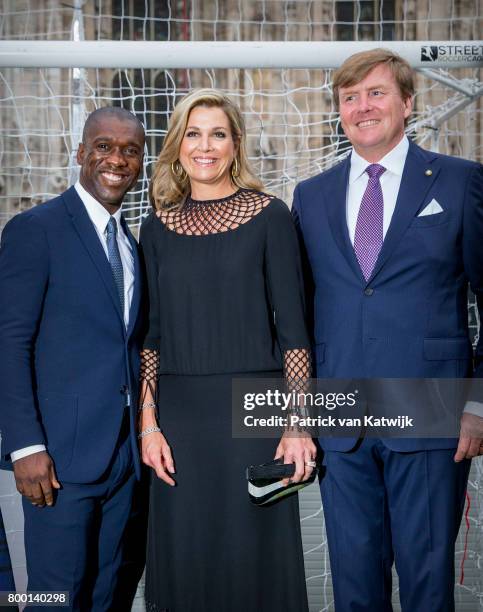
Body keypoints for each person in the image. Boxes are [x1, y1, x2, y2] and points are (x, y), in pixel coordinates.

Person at [292, 49, 483, 611]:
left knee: (427, 585)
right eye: (349, 98)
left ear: (407, 102)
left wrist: (478, 404)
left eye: (375, 93)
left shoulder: (460, 181)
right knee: (354, 585)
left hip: (431, 413)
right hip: (341, 416)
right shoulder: (312, 195)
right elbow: (301, 308)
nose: (362, 107)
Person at [138, 88, 316, 612]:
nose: (205, 145)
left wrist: (297, 420)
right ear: (177, 145)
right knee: (186, 555)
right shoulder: (155, 228)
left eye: (218, 133)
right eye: (193, 133)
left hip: (255, 416)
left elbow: (295, 332)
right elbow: (151, 338)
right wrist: (149, 423)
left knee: (257, 559)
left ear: (236, 144)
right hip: (179, 424)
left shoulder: (271, 216)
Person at [0, 107, 146, 611]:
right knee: (53, 599)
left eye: (130, 150)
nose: (117, 159)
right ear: (80, 153)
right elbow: (9, 344)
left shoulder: (131, 244)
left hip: (123, 463)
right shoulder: (34, 230)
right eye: (104, 146)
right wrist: (24, 447)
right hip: (56, 463)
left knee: (107, 598)